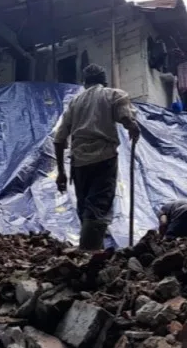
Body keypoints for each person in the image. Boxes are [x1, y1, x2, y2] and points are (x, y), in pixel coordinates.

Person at [54, 64, 141, 251]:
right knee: (97, 207)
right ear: (104, 81)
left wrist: (61, 173)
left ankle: (95, 253)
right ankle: (88, 255)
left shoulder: (75, 103)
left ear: (84, 83)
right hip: (104, 158)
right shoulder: (113, 94)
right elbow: (125, 117)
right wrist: (132, 126)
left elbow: (59, 139)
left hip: (79, 163)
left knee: (86, 208)